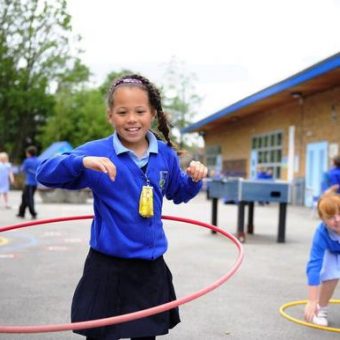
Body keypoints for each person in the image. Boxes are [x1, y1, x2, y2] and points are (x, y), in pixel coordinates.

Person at [36, 74, 208, 340]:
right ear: (110, 116)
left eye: (140, 111)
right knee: (102, 336)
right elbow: (44, 173)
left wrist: (194, 179)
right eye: (122, 112)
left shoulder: (164, 155)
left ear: (152, 113)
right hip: (108, 266)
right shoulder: (97, 152)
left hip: (149, 267)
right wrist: (82, 163)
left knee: (145, 335)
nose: (131, 119)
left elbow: (179, 192)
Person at [304, 192, 340, 326]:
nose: (337, 219)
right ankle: (321, 309)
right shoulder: (321, 234)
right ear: (322, 219)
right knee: (331, 273)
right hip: (333, 251)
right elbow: (314, 265)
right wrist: (312, 300)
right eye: (331, 217)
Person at [17, 145, 39, 219]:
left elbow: (22, 169)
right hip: (35, 183)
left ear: (28, 153)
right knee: (24, 197)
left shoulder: (27, 161)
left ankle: (33, 213)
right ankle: (21, 213)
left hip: (29, 183)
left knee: (28, 198)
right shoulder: (38, 160)